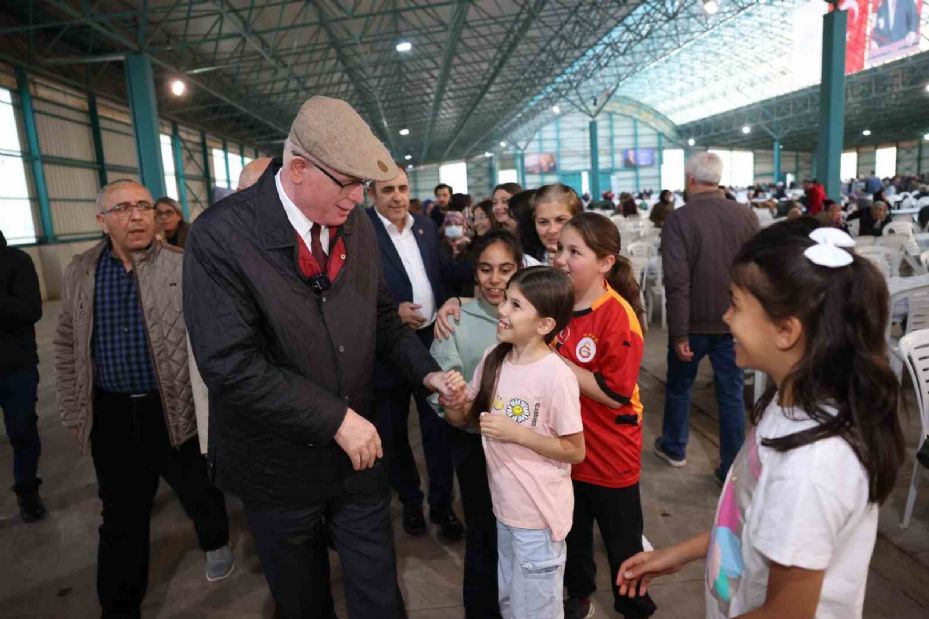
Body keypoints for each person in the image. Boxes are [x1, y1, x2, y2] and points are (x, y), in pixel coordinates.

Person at [183, 96, 459, 618]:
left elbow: (380, 319)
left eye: (364, 184)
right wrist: (334, 418)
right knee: (303, 599)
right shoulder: (221, 237)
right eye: (348, 183)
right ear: (299, 168)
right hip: (277, 466)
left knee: (379, 593)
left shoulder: (354, 224)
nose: (360, 197)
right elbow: (230, 364)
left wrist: (429, 374)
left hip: (357, 458)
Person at [616, 223, 905, 619]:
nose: (725, 317)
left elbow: (787, 613)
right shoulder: (788, 404)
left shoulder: (811, 467)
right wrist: (678, 554)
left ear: (785, 330)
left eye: (735, 304)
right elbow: (751, 517)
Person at [55, 179, 232, 618]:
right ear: (102, 221)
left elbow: (215, 336)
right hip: (111, 412)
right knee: (120, 515)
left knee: (198, 488)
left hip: (173, 406)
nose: (136, 216)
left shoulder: (183, 264)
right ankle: (120, 605)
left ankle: (215, 540)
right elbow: (65, 343)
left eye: (143, 206)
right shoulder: (82, 270)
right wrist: (73, 407)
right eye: (122, 209)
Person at [442, 266, 585, 619]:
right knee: (510, 603)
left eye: (516, 305)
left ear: (544, 325)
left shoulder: (556, 377)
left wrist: (519, 434)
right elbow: (464, 419)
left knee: (536, 611)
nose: (503, 310)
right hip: (505, 510)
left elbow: (575, 450)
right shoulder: (494, 358)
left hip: (539, 520)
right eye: (506, 299)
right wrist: (454, 403)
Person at [552, 213, 655, 619]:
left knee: (622, 541)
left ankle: (634, 604)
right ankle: (578, 596)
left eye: (574, 251)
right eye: (560, 248)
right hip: (568, 452)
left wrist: (556, 365)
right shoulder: (557, 304)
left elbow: (614, 394)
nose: (561, 258)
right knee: (573, 535)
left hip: (612, 454)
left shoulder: (618, 315)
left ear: (605, 262)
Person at [429, 229, 524, 618]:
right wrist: (456, 402)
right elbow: (442, 392)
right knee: (483, 535)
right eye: (486, 269)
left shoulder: (533, 315)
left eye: (505, 269)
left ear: (519, 270)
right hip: (475, 447)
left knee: (524, 535)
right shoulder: (455, 321)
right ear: (474, 271)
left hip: (527, 447)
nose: (495, 280)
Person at [366, 165, 464, 542]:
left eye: (402, 188)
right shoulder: (361, 232)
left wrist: (453, 297)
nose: (397, 196)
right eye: (387, 189)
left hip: (430, 343)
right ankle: (410, 503)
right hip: (385, 349)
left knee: (438, 429)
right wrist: (391, 315)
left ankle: (442, 507)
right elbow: (353, 294)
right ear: (371, 194)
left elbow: (445, 273)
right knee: (392, 435)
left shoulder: (424, 227)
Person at [655, 152, 759, 485]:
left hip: (694, 321)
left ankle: (675, 447)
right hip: (734, 322)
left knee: (681, 386)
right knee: (730, 392)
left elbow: (677, 279)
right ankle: (732, 466)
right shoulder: (746, 216)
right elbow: (755, 273)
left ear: (689, 180)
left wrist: (680, 333)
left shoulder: (679, 220)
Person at [0, 229, 45, 522]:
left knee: (22, 432)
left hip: (14, 367)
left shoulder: (17, 261)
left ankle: (27, 494)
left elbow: (31, 310)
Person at [531, 183, 584, 264]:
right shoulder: (528, 265)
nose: (552, 230)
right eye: (543, 222)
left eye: (560, 220)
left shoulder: (598, 262)